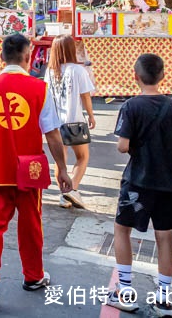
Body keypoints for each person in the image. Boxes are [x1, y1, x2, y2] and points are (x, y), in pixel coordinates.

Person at [0, 33, 73, 308]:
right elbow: (52, 134)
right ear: (28, 57)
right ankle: (33, 276)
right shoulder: (40, 89)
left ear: (1, 57)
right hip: (31, 170)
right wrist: (62, 169)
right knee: (30, 224)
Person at [106, 54, 172, 317]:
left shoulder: (131, 107)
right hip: (167, 183)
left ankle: (125, 292)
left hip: (137, 182)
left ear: (135, 76)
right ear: (163, 75)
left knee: (122, 230)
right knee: (164, 237)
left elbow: (122, 146)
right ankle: (164, 300)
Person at [43, 35, 96, 210]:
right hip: (75, 122)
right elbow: (85, 96)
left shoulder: (50, 71)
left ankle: (63, 195)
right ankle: (72, 189)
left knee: (61, 162)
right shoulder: (78, 70)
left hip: (55, 123)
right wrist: (91, 115)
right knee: (83, 157)